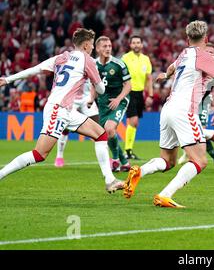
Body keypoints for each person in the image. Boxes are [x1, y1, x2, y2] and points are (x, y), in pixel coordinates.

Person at [122, 20, 214, 208]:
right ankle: (165, 194)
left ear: (187, 39)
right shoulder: (205, 57)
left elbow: (170, 68)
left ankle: (140, 171)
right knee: (200, 161)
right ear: (206, 38)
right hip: (185, 111)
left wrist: (167, 76)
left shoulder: (184, 54)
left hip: (167, 109)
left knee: (168, 161)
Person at [0, 28, 124, 193]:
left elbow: (36, 69)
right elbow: (101, 90)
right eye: (92, 45)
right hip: (58, 109)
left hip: (67, 110)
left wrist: (8, 79)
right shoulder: (88, 61)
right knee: (39, 154)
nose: (93, 48)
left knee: (100, 134)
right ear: (86, 45)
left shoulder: (61, 57)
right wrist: (96, 79)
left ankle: (110, 180)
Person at [177, 42, 214, 171]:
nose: (210, 55)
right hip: (191, 101)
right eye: (207, 52)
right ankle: (188, 153)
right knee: (192, 130)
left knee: (201, 130)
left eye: (212, 53)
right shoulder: (196, 66)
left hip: (204, 102)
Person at [95, 36, 132, 172]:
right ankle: (124, 162)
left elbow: (128, 85)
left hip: (119, 101)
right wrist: (90, 99)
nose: (108, 49)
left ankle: (115, 160)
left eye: (109, 46)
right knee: (109, 133)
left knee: (110, 129)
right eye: (104, 46)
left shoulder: (118, 64)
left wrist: (118, 99)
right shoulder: (94, 65)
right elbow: (94, 85)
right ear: (98, 48)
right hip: (103, 103)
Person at [54, 79, 100, 167]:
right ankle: (59, 157)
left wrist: (92, 98)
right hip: (71, 100)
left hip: (87, 98)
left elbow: (95, 83)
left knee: (98, 129)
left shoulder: (91, 66)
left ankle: (106, 157)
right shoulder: (71, 67)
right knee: (65, 129)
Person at [121, 35, 153, 160]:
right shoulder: (125, 58)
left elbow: (149, 78)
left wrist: (150, 95)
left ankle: (129, 150)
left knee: (135, 123)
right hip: (129, 92)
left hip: (139, 93)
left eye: (138, 42)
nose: (136, 45)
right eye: (133, 42)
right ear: (130, 45)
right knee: (133, 121)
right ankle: (127, 151)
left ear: (141, 45)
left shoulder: (146, 59)